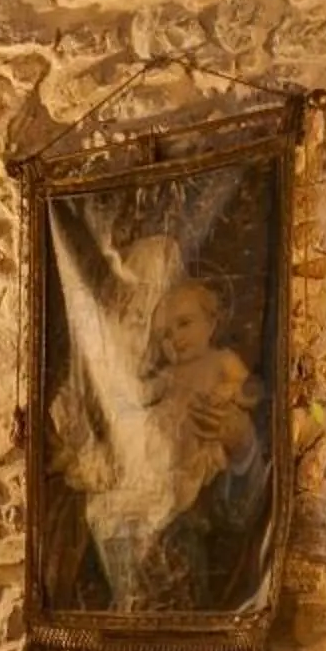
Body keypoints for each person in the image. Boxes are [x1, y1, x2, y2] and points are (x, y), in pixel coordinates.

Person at [46, 235, 272, 614]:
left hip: (184, 584)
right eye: (128, 315)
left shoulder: (208, 374)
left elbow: (240, 515)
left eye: (144, 318)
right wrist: (69, 450)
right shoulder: (86, 395)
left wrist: (242, 444)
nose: (147, 335)